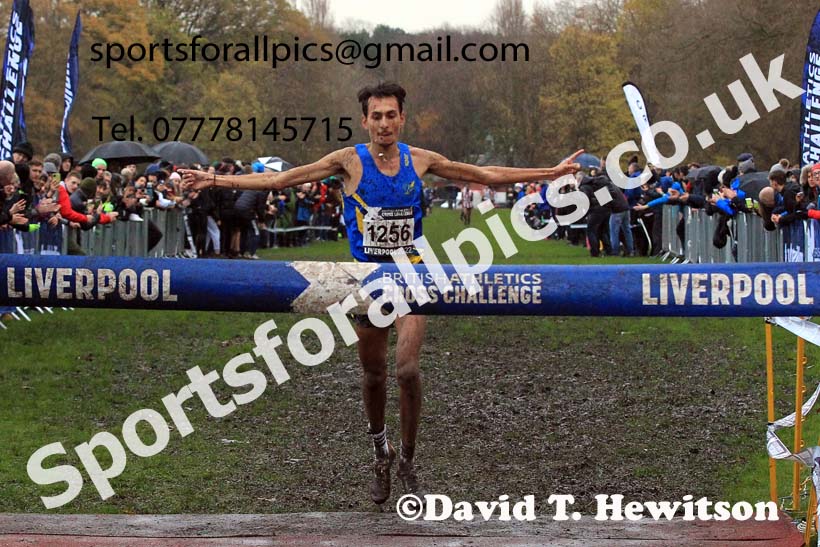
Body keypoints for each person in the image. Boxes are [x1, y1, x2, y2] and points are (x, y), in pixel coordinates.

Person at [181, 81, 583, 507]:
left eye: (392, 115)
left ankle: (408, 459)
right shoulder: (347, 162)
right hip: (367, 283)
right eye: (377, 116)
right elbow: (282, 179)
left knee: (407, 369)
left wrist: (550, 174)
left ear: (402, 118)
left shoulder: (421, 159)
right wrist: (214, 179)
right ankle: (381, 453)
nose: (385, 123)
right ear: (365, 121)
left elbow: (483, 175)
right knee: (373, 376)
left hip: (413, 275)